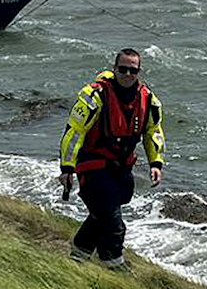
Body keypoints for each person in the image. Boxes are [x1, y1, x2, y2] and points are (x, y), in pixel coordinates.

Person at [58, 48, 165, 270]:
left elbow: (153, 132)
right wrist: (67, 168)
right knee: (113, 224)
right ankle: (115, 268)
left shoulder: (149, 100)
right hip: (93, 166)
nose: (127, 74)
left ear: (139, 72)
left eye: (132, 70)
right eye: (123, 69)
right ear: (114, 69)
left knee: (101, 215)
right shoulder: (95, 96)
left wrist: (156, 163)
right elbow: (74, 132)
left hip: (120, 170)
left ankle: (77, 257)